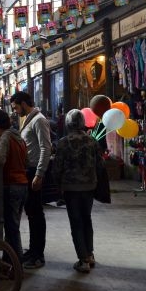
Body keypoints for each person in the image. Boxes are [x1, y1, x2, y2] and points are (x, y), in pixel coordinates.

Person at [52, 109, 101, 273]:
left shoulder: (63, 142)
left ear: (67, 123)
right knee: (87, 219)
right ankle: (90, 254)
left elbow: (57, 168)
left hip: (71, 189)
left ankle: (83, 259)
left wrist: (57, 185)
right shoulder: (92, 141)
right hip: (89, 186)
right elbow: (99, 164)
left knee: (76, 222)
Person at [10, 91, 52, 269]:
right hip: (28, 171)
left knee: (36, 214)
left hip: (34, 171)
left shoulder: (39, 120)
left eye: (16, 107)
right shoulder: (28, 119)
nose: (15, 111)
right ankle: (33, 250)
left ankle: (38, 255)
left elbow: (46, 147)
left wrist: (39, 174)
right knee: (31, 212)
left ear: (24, 104)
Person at [0, 109, 29, 263]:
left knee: (12, 230)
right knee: (14, 225)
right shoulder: (19, 137)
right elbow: (27, 160)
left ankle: (15, 266)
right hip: (22, 185)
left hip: (11, 185)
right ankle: (8, 260)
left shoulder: (5, 136)